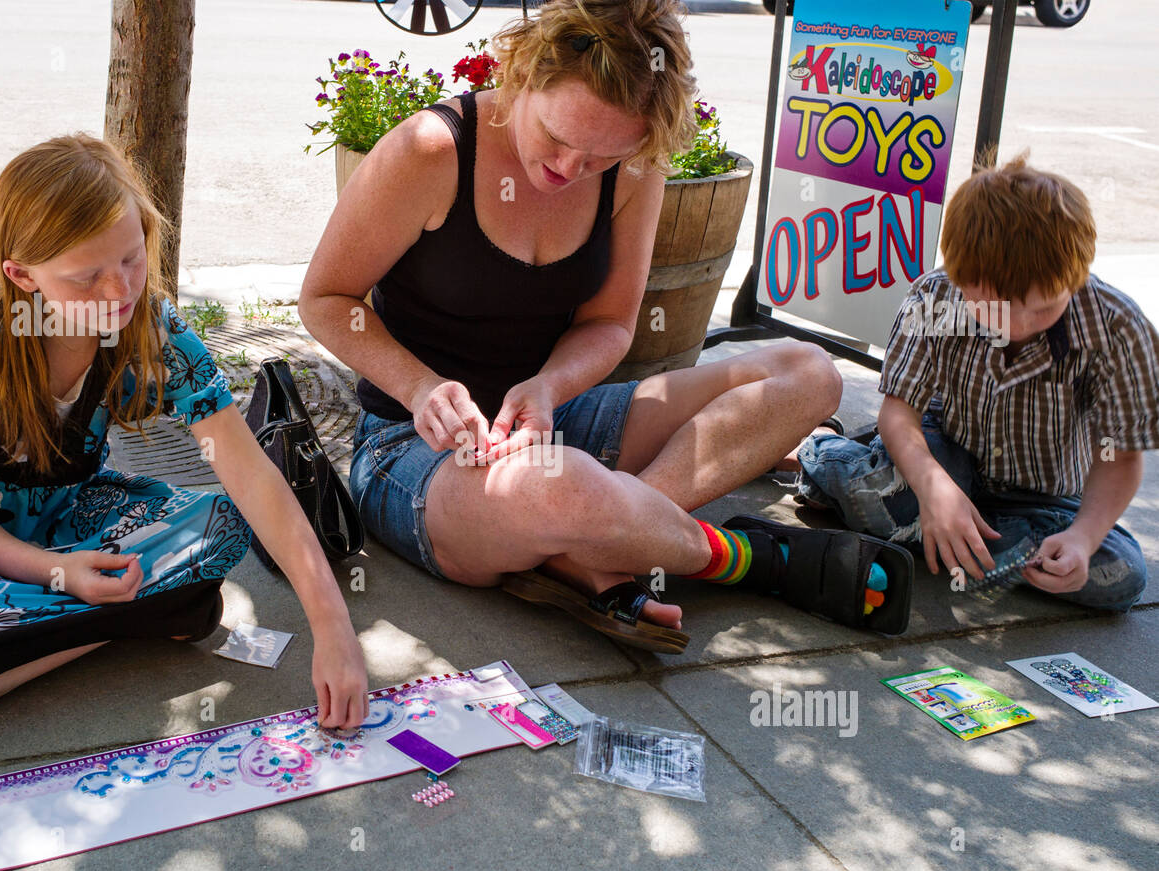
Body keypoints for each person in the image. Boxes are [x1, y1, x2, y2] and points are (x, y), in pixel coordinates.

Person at [299, 0, 915, 652]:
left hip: (558, 424)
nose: (570, 170)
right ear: (527, 72)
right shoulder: (432, 149)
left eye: (599, 158)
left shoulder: (637, 165)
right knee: (558, 484)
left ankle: (600, 544)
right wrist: (421, 388)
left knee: (808, 374)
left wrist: (548, 388)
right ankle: (747, 556)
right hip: (415, 452)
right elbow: (326, 297)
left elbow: (611, 325)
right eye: (558, 139)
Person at [0, 134, 369, 771]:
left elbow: (247, 472)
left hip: (65, 519)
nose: (119, 291)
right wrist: (55, 572)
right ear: (21, 276)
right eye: (86, 276)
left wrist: (333, 627)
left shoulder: (156, 332)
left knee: (216, 528)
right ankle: (77, 631)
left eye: (132, 258)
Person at [790, 154, 1154, 611]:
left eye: (1043, 310)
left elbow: (1120, 458)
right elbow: (899, 413)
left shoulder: (1118, 327)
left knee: (1118, 574)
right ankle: (824, 451)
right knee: (903, 497)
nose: (1019, 326)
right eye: (995, 308)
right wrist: (936, 489)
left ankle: (945, 531)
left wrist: (1081, 540)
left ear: (1076, 278)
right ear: (961, 280)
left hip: (1043, 496)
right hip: (945, 454)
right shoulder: (936, 296)